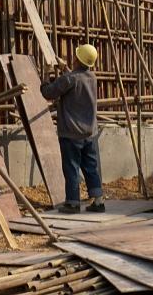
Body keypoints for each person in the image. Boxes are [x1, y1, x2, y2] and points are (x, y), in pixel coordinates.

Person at [39, 44, 104, 213]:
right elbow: (76, 78)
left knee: (71, 167)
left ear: (77, 59)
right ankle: (98, 200)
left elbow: (48, 92)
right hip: (89, 132)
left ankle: (73, 203)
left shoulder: (69, 79)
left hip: (71, 132)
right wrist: (65, 67)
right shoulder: (92, 77)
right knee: (90, 166)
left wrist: (46, 73)